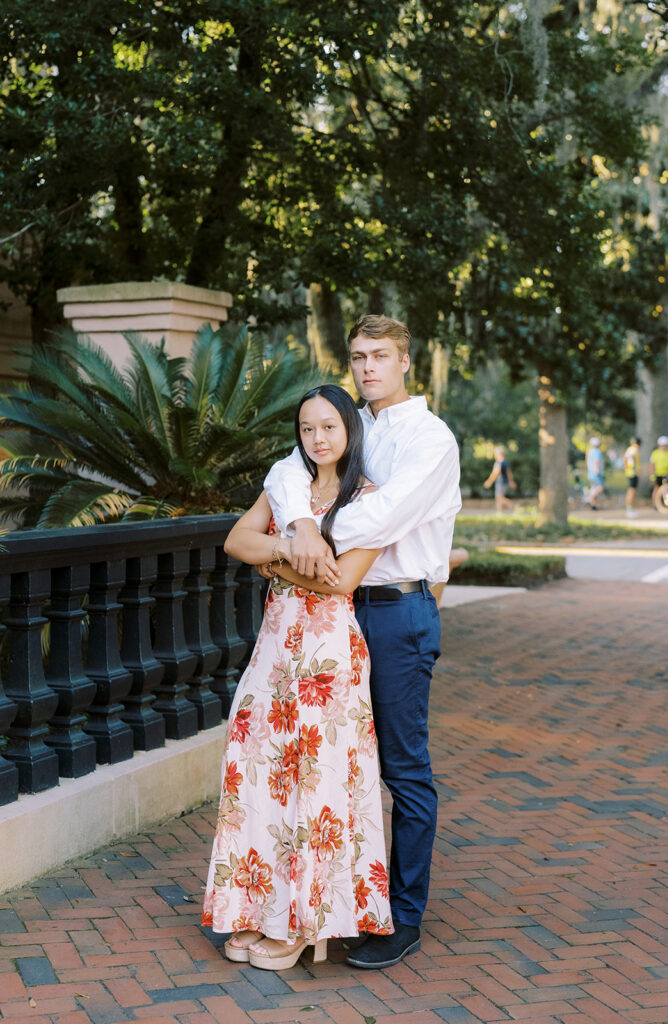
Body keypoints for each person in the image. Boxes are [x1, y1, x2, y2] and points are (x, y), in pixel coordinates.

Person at [264, 314, 461, 969]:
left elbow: (382, 514)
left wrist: (307, 535)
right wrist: (297, 520)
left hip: (398, 614)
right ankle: (346, 901)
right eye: (357, 356)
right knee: (335, 766)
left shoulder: (429, 439)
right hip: (336, 613)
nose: (367, 367)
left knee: (403, 771)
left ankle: (400, 919)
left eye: (379, 355)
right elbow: (286, 470)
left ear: (406, 361)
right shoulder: (351, 424)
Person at [201, 384, 393, 971]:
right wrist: (291, 543)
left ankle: (304, 923)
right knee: (258, 769)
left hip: (329, 653)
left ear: (348, 430)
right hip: (275, 647)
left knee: (315, 780)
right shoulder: (287, 485)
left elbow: (340, 582)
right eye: (307, 429)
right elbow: (236, 539)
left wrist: (274, 559)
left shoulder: (371, 497)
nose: (317, 438)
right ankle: (259, 907)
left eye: (329, 426)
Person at [483, 445, 516, 513]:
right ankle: (499, 512)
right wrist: (511, 481)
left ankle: (514, 506)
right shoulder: (505, 462)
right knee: (499, 498)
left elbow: (496, 473)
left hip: (501, 482)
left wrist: (489, 481)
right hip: (504, 482)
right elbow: (509, 473)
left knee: (499, 498)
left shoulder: (499, 463)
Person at [648, 436, 668, 510]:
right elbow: (652, 464)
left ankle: (667, 503)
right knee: (656, 489)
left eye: (665, 445)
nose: (664, 447)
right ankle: (655, 504)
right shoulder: (655, 453)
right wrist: (652, 475)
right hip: (658, 474)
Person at [623, 436, 641, 518]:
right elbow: (627, 459)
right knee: (632, 491)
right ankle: (629, 509)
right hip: (633, 473)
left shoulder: (630, 449)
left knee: (631, 490)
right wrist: (631, 468)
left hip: (630, 472)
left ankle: (630, 508)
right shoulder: (633, 450)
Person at [585, 437, 605, 510]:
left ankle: (593, 505)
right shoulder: (597, 452)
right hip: (596, 473)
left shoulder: (589, 452)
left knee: (593, 488)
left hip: (590, 473)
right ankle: (589, 498)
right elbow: (596, 462)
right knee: (600, 488)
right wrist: (597, 471)